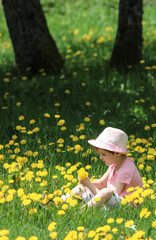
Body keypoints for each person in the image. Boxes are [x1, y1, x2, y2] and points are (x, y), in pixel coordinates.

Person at [62, 127, 143, 209]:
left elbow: (112, 195)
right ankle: (57, 203)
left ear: (117, 153)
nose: (100, 157)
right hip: (111, 202)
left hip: (127, 206)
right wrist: (85, 183)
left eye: (103, 154)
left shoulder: (126, 168)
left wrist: (89, 185)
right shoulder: (115, 163)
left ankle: (82, 214)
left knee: (105, 191)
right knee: (81, 188)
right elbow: (101, 183)